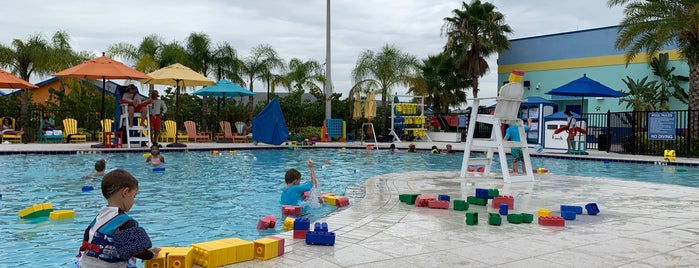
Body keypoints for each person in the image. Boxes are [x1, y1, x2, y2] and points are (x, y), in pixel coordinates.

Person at [76, 169, 160, 267]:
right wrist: (151, 254)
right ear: (126, 192)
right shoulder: (126, 222)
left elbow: (87, 238)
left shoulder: (100, 217)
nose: (133, 201)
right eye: (134, 196)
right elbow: (137, 251)